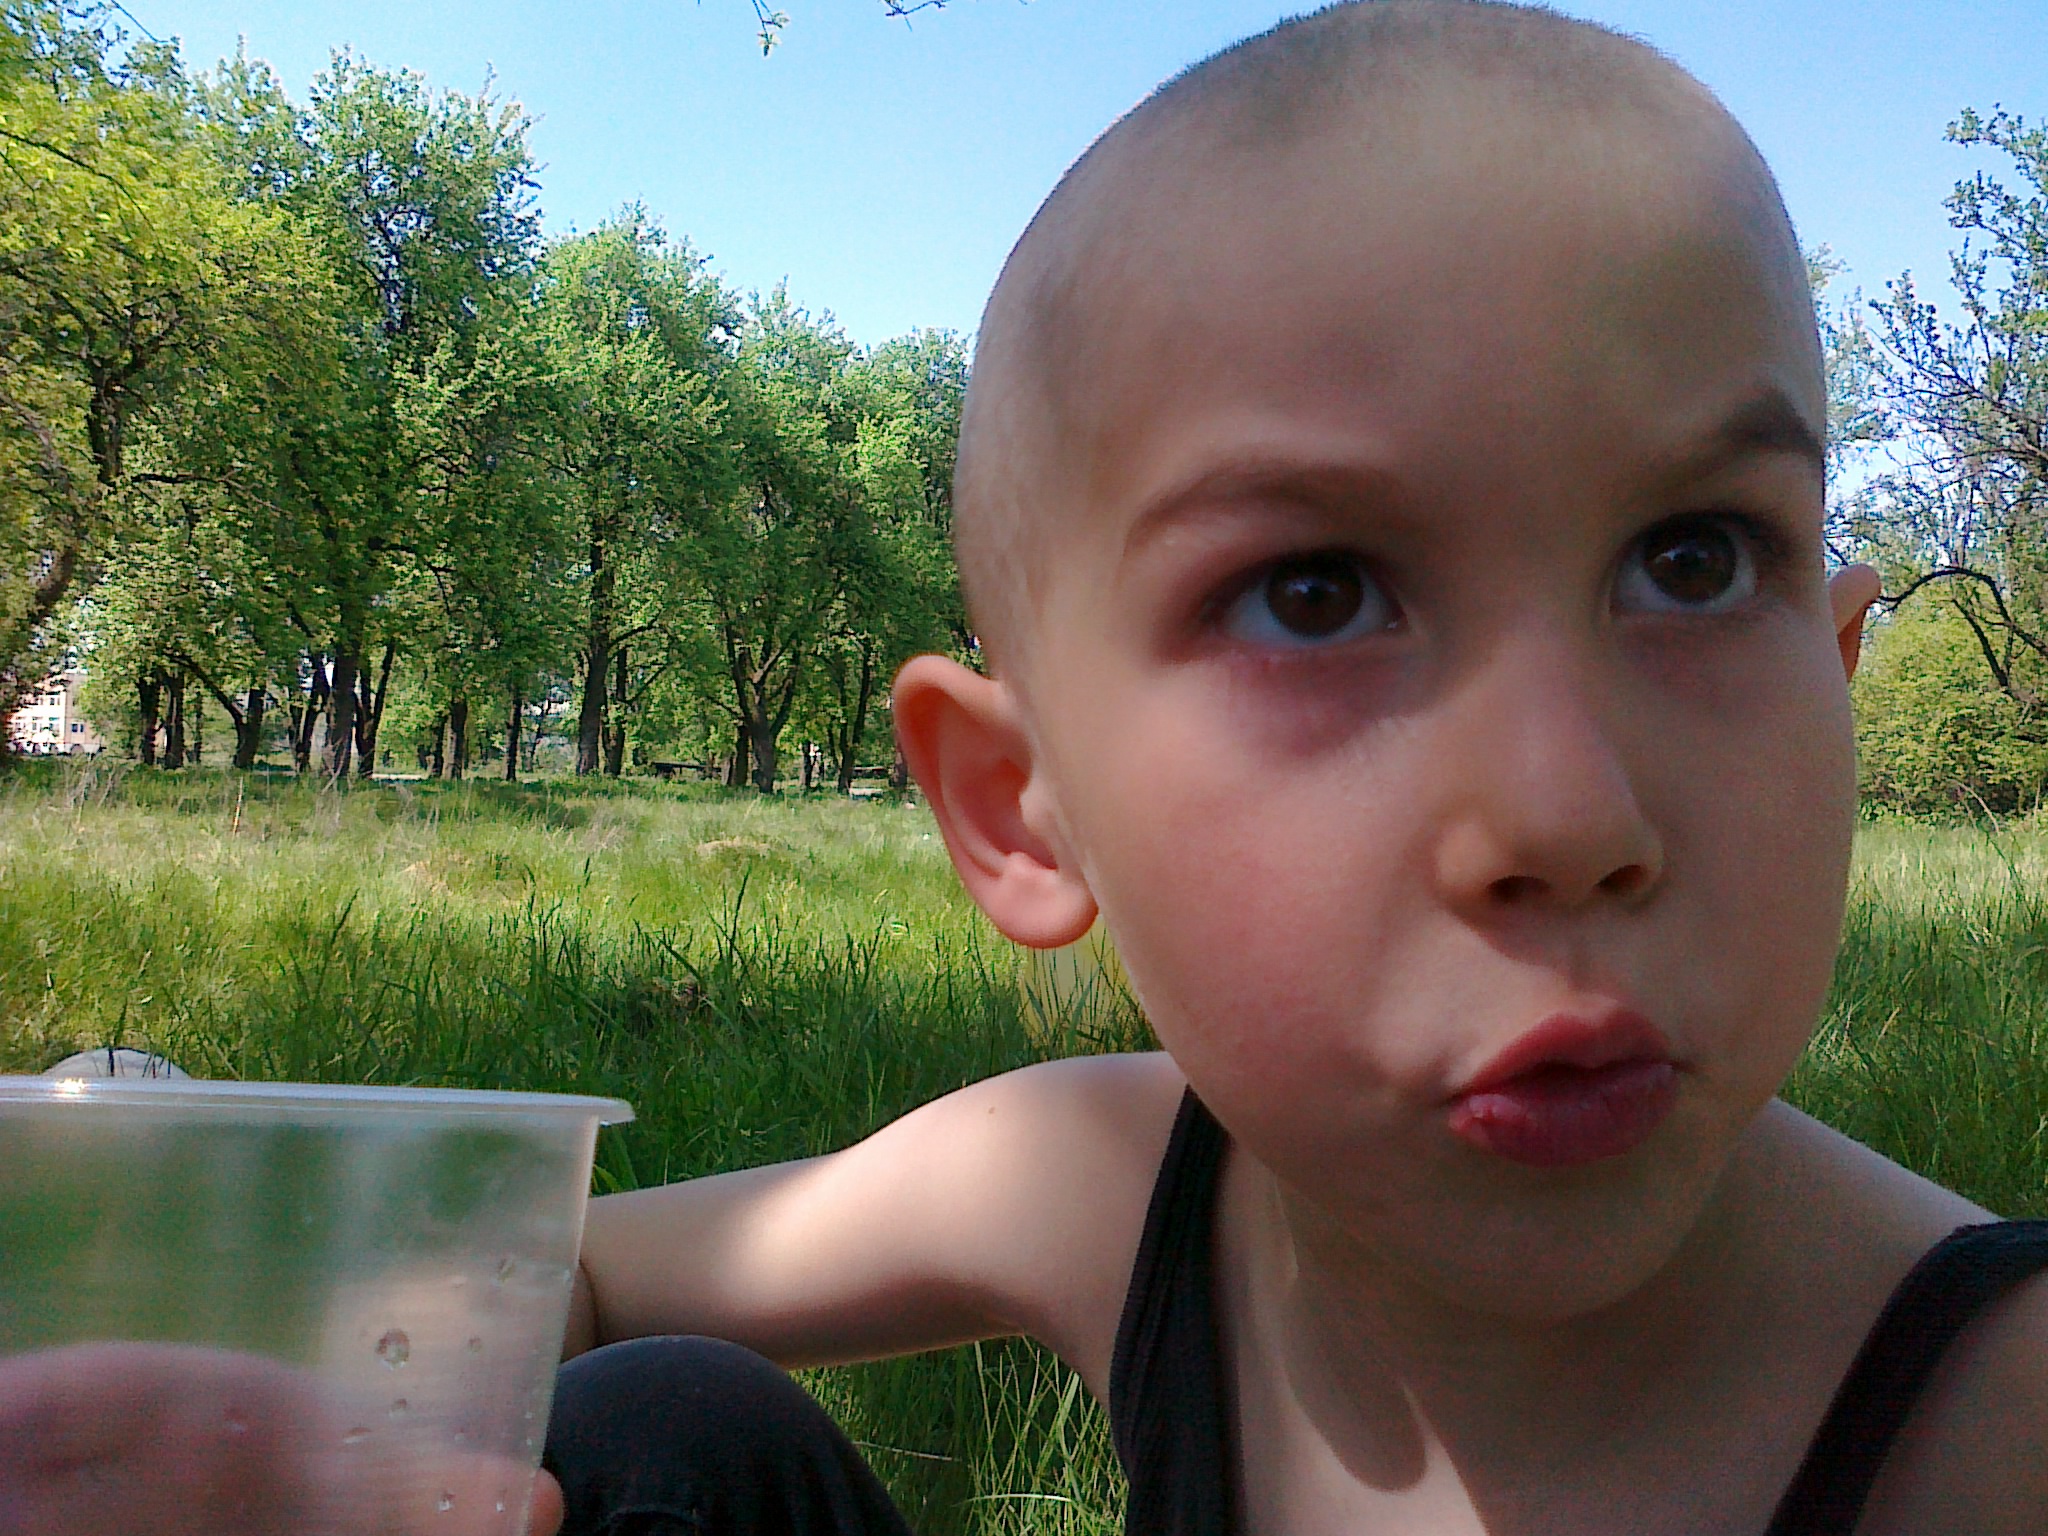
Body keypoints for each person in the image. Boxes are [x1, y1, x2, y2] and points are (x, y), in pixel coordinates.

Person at [4, 4, 2042, 1533]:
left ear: (1837, 671)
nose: (1570, 817)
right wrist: (241, 1426)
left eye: (1696, 561)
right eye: (1318, 594)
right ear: (1017, 809)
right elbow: (569, 1280)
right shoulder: (1116, 1185)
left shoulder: (1995, 1420)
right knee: (658, 1437)